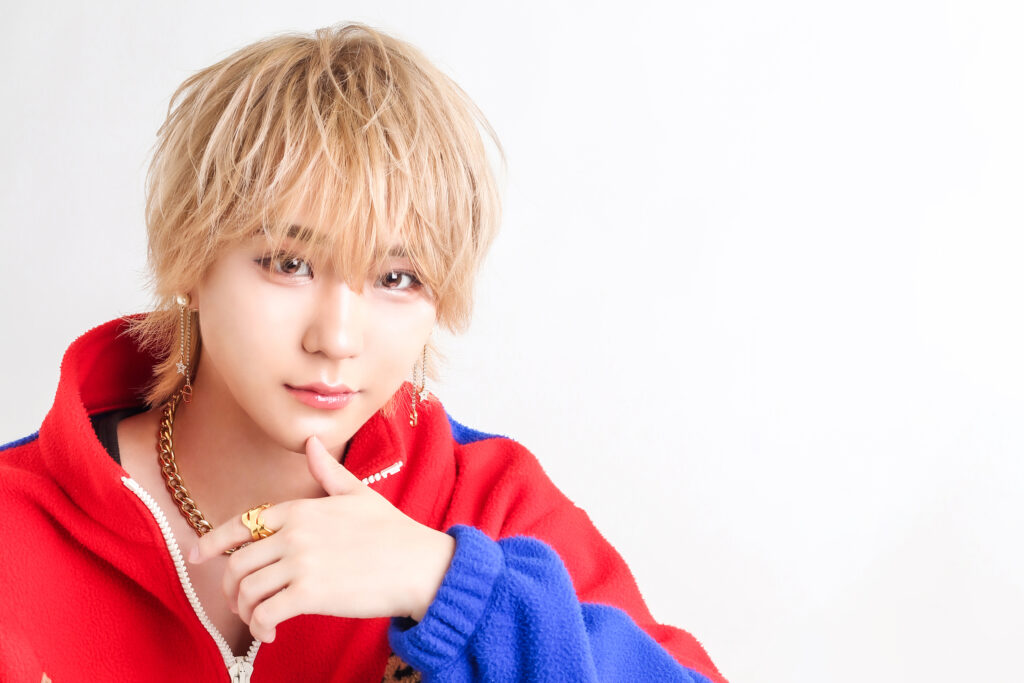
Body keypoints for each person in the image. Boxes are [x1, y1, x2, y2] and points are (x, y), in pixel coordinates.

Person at [0, 23, 726, 683]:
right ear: (190, 261)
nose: (337, 338)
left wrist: (447, 588)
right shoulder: (15, 527)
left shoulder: (487, 505)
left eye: (397, 278)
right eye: (289, 264)